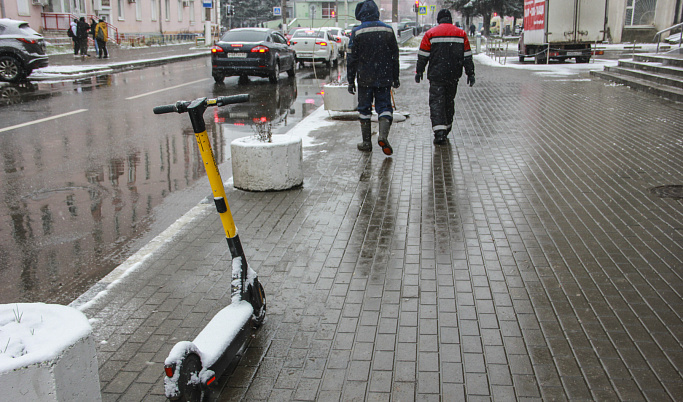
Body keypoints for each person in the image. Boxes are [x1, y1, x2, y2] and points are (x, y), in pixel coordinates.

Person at [346, 0, 400, 156]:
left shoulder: (357, 32)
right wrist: (395, 77)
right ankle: (382, 136)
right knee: (384, 107)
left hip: (365, 78)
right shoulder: (388, 30)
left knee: (364, 110)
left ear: (361, 14)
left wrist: (351, 80)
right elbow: (394, 56)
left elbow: (351, 59)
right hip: (384, 77)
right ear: (377, 12)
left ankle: (366, 142)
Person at [415, 9, 475, 145]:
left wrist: (419, 71)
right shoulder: (461, 34)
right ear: (450, 19)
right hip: (453, 75)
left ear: (439, 19)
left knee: (436, 103)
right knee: (449, 101)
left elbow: (423, 55)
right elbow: (467, 57)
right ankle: (447, 127)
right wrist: (470, 73)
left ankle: (439, 132)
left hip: (436, 76)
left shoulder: (431, 34)